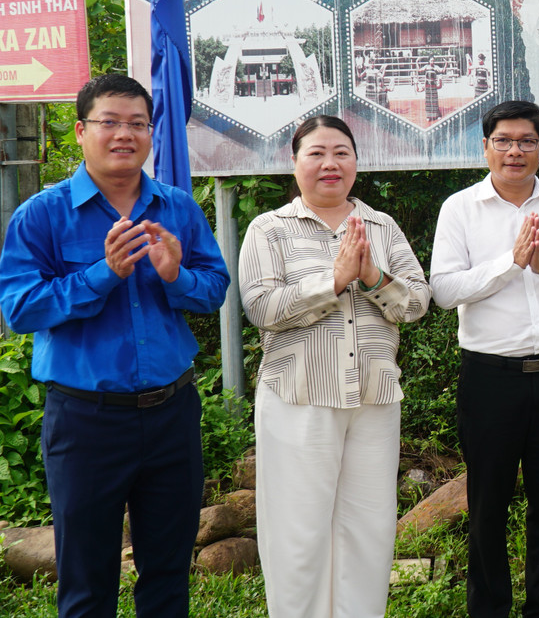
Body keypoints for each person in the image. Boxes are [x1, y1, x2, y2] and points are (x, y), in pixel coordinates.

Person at [0, 74, 230, 617]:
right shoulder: (42, 215)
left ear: (151, 134)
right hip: (86, 422)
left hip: (172, 414)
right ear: (81, 131)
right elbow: (21, 308)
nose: (124, 134)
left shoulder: (177, 209)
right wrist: (103, 274)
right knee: (86, 581)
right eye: (109, 122)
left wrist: (177, 277)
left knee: (169, 575)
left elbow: (214, 290)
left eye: (137, 123)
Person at [239, 115, 430, 618]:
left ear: (356, 162)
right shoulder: (269, 229)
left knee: (368, 530)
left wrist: (371, 276)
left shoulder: (382, 226)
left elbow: (415, 304)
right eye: (317, 153)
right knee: (297, 532)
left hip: (373, 398)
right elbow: (261, 308)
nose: (330, 164)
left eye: (341, 152)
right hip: (298, 396)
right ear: (294, 161)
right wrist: (334, 281)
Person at [429, 100, 539, 618]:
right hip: (490, 378)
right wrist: (510, 264)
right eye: (503, 140)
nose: (514, 151)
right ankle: (489, 610)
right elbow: (443, 289)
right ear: (485, 147)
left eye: (526, 141)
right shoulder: (459, 209)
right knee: (488, 504)